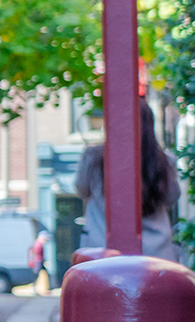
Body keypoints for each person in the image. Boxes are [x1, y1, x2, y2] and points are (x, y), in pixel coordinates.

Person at [74, 103, 184, 261]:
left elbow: (81, 190)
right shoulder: (164, 161)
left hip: (102, 246)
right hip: (156, 250)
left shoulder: (93, 156)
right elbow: (171, 198)